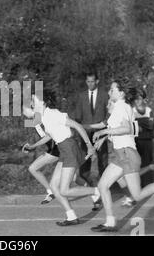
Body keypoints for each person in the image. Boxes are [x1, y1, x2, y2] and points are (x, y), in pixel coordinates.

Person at [90, 79, 154, 232]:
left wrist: (103, 132)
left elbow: (124, 128)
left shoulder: (122, 107)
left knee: (137, 195)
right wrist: (104, 137)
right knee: (103, 185)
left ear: (121, 92)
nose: (110, 92)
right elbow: (124, 129)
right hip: (121, 154)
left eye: (112, 90)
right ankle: (110, 222)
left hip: (127, 155)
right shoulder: (121, 107)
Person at [24, 93, 100, 226]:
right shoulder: (45, 117)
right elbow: (49, 136)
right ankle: (71, 216)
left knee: (64, 190)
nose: (31, 104)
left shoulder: (53, 114)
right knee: (54, 187)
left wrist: (89, 146)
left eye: (33, 101)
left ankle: (98, 191)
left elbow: (78, 126)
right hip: (64, 150)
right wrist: (33, 146)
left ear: (43, 103)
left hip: (69, 148)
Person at [73, 71, 109, 185]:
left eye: (92, 81)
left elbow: (108, 112)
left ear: (97, 81)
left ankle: (104, 183)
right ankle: (86, 183)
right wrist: (78, 130)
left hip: (100, 131)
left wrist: (105, 125)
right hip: (86, 132)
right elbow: (78, 116)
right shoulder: (81, 96)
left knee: (103, 158)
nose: (90, 84)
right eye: (88, 82)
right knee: (85, 157)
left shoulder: (104, 95)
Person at [22, 105, 60, 204]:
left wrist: (33, 146)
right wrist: (30, 147)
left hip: (59, 149)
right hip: (54, 149)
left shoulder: (43, 119)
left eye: (24, 109)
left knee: (33, 168)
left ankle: (51, 192)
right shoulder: (35, 121)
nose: (23, 112)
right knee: (75, 178)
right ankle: (96, 194)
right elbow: (42, 137)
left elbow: (49, 136)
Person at [132, 88, 154, 186]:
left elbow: (151, 125)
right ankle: (138, 185)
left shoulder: (149, 110)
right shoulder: (132, 111)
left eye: (140, 99)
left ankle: (148, 184)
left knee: (148, 163)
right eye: (136, 99)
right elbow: (133, 126)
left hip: (147, 141)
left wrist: (139, 123)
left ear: (144, 99)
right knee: (137, 163)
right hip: (136, 141)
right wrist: (144, 122)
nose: (138, 101)